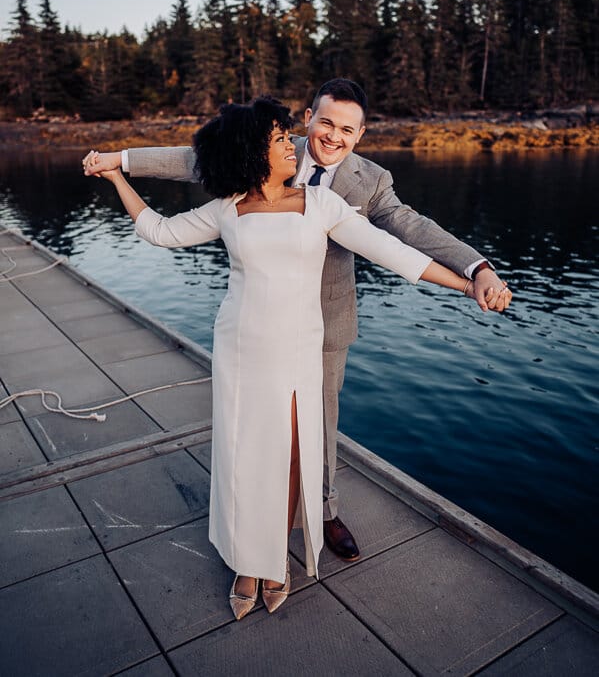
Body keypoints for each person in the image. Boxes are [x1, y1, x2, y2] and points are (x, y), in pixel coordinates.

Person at [83, 79, 512, 564]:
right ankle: (254, 534)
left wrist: (474, 271)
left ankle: (323, 511)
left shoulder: (368, 182)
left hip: (324, 324)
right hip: (252, 330)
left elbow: (407, 234)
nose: (333, 137)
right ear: (308, 117)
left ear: (361, 133)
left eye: (348, 130)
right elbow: (191, 161)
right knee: (251, 430)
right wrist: (120, 161)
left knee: (319, 424)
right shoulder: (265, 150)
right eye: (326, 123)